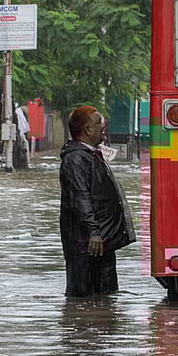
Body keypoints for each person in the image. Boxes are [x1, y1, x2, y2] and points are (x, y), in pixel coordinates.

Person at [60, 106, 137, 297]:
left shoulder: (91, 155)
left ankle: (102, 322)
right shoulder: (76, 159)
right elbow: (80, 198)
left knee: (106, 296)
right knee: (85, 297)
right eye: (98, 122)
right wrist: (93, 232)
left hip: (102, 242)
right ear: (87, 130)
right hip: (87, 245)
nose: (104, 126)